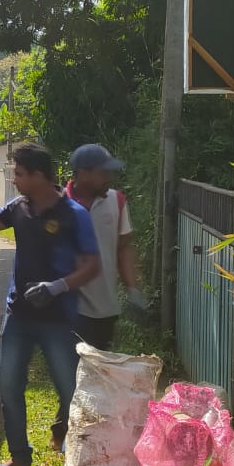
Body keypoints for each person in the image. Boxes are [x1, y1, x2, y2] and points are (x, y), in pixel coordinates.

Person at [0, 145, 99, 466]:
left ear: (38, 176)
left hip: (58, 320)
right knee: (8, 386)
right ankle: (20, 458)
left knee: (70, 391)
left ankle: (77, 460)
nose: (13, 179)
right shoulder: (19, 208)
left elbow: (91, 266)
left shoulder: (74, 214)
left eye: (18, 173)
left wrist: (57, 287)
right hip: (19, 315)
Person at [64, 144, 147, 351]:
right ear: (83, 174)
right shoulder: (60, 205)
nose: (109, 178)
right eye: (103, 172)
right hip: (70, 307)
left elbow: (124, 248)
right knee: (74, 372)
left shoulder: (116, 201)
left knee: (100, 370)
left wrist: (133, 288)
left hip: (105, 308)